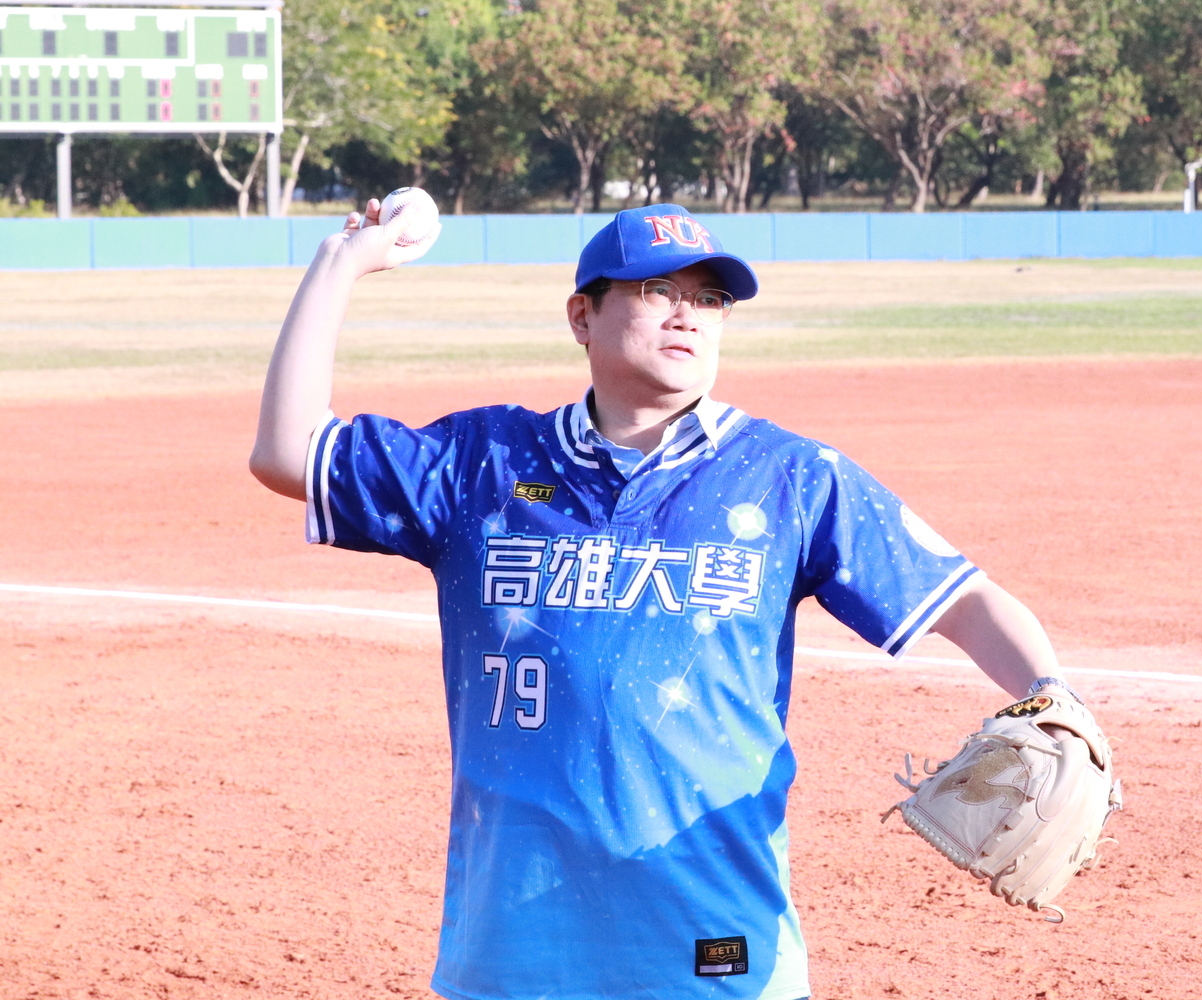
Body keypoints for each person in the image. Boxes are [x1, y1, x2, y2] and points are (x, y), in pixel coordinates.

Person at [249, 200, 1084, 1000]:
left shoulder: (790, 475)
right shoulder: (483, 463)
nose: (689, 314)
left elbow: (964, 598)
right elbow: (288, 453)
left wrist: (1054, 698)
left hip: (719, 936)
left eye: (709, 298)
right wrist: (339, 264)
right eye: (658, 291)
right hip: (516, 947)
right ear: (582, 316)